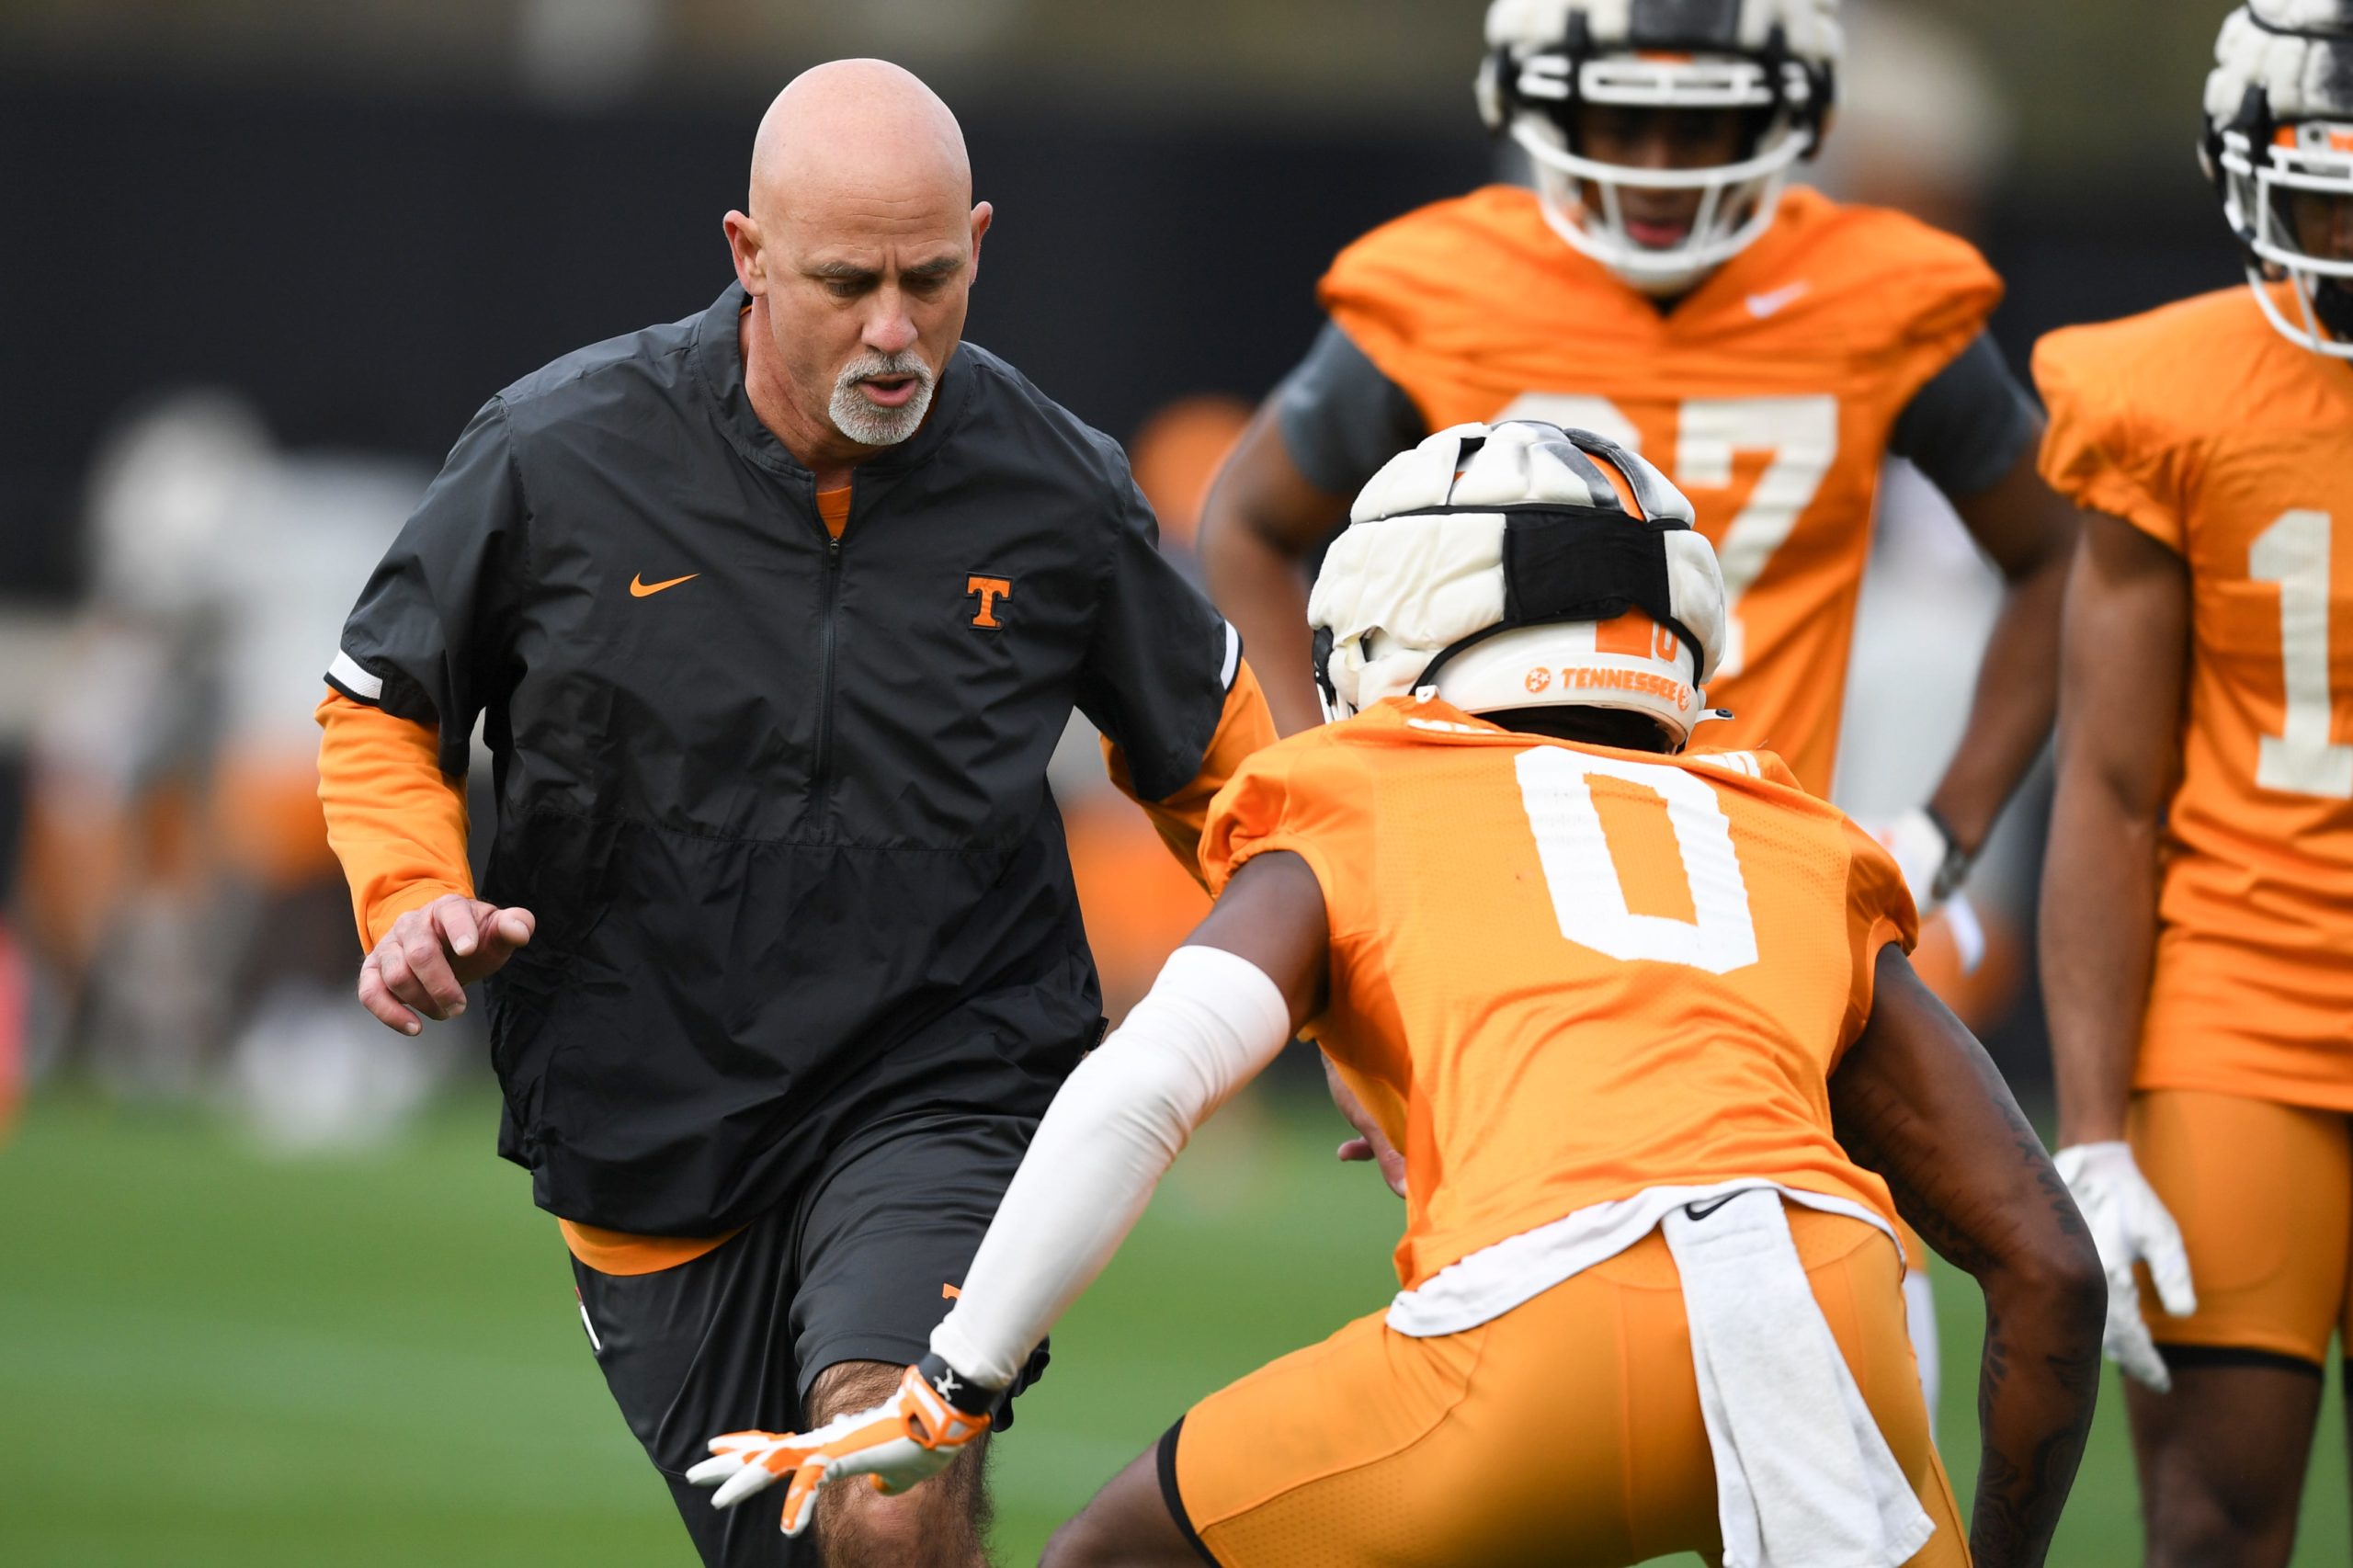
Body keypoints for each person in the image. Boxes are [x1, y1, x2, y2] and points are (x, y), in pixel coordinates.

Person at [688, 422, 2105, 1568]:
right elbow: (2049, 1263)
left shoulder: (1359, 788)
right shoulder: (1797, 835)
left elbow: (1149, 1081)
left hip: (1543, 1338)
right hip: (1833, 1324)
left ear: (1408, 617)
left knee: (1111, 1555)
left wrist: (956, 1381)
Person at [314, 59, 1274, 1568]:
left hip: (943, 1075)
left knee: (887, 1495)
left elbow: (1236, 779)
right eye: (846, 282)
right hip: (651, 1121)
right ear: (747, 257)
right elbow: (381, 699)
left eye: (931, 277)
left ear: (981, 241)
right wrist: (407, 892)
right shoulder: (555, 452)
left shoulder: (1057, 488)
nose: (896, 332)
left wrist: (1369, 1027)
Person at [1197, 0, 2079, 1415]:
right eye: (1625, 120)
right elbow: (1242, 522)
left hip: (1769, 895)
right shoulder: (1446, 281)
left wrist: (1944, 828)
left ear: (1788, 113)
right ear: (1539, 104)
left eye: (1705, 124)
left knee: (1869, 1327)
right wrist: (1340, 804)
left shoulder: (1878, 289)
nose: (1663, 164)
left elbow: (2060, 551)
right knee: (1515, 1361)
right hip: (1511, 910)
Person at [2036, 6, 2353, 1563]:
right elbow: (2108, 784)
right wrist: (2092, 1132)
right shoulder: (2172, 392)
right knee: (2214, 1524)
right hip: (2248, 1007)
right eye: (2336, 194)